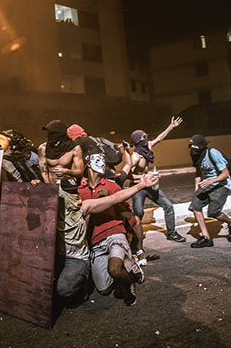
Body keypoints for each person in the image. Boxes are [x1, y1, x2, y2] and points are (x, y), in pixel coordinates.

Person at [32, 170, 159, 306]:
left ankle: (124, 276)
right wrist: (35, 187)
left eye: (75, 192)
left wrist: (140, 185)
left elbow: (114, 198)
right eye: (70, 193)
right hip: (61, 254)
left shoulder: (84, 207)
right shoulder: (52, 208)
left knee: (65, 289)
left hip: (77, 257)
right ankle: (117, 271)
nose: (74, 197)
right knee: (104, 289)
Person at [77, 149, 144, 306]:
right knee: (104, 289)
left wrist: (112, 199)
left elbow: (129, 217)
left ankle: (129, 285)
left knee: (114, 270)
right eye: (97, 160)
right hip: (95, 241)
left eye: (104, 160)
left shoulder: (112, 186)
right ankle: (127, 266)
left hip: (115, 234)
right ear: (88, 164)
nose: (102, 163)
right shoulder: (79, 190)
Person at [125, 117, 187, 264]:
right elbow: (127, 174)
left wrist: (171, 126)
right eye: (145, 136)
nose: (148, 138)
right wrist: (142, 179)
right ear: (140, 141)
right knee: (138, 214)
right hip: (139, 188)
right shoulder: (136, 156)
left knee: (168, 206)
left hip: (150, 186)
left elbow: (159, 138)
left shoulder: (147, 148)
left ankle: (172, 233)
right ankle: (134, 242)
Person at [188, 134, 231, 248]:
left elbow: (225, 174)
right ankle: (206, 238)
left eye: (195, 148)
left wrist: (210, 181)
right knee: (195, 207)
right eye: (191, 147)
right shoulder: (196, 156)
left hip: (221, 184)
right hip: (207, 184)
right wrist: (196, 188)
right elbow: (198, 172)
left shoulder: (213, 153)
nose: (193, 150)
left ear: (201, 147)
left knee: (213, 213)